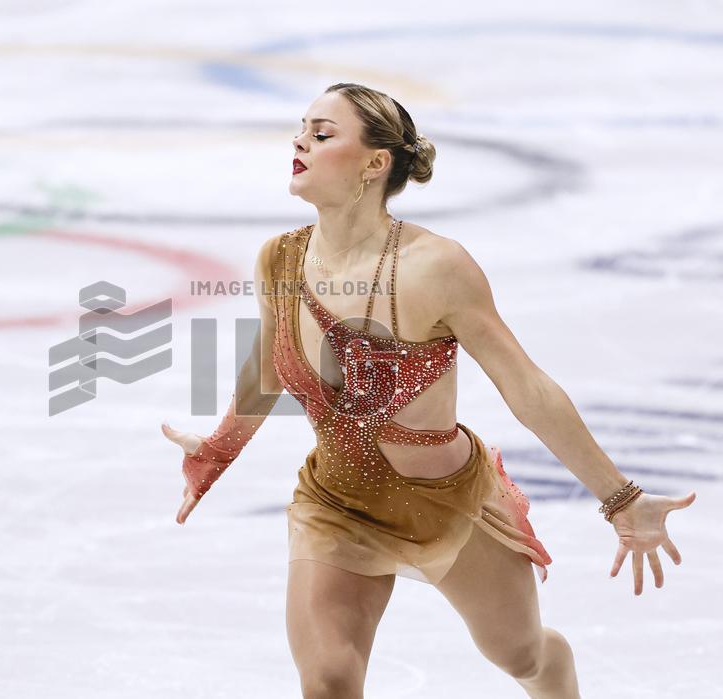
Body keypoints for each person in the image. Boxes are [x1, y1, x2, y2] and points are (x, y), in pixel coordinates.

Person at [161, 82, 696, 698]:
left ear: (374, 163)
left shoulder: (435, 267)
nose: (300, 140)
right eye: (302, 127)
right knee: (329, 679)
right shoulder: (279, 258)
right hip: (334, 502)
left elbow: (527, 389)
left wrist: (620, 498)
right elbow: (270, 365)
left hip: (448, 506)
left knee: (522, 655)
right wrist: (218, 449)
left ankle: (554, 675)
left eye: (323, 132)